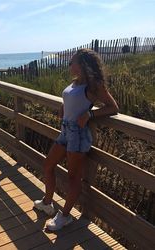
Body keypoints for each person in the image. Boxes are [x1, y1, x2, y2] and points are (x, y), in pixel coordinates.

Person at [33, 48, 119, 231]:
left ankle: (64, 216)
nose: (69, 65)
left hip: (78, 134)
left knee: (73, 177)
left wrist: (90, 113)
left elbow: (113, 107)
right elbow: (72, 99)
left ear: (82, 65)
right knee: (48, 165)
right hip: (66, 130)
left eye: (72, 62)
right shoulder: (75, 82)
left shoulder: (94, 85)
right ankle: (48, 203)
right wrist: (64, 106)